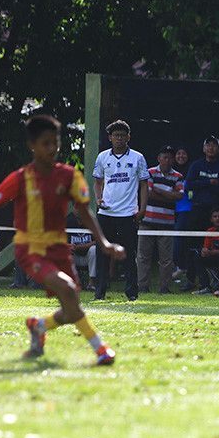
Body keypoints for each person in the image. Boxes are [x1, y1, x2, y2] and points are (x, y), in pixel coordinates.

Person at [0, 114, 123, 365]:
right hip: (30, 249)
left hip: (58, 248)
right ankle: (101, 349)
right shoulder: (20, 178)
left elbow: (86, 212)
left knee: (70, 308)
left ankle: (38, 326)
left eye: (55, 142)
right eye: (45, 143)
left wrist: (104, 243)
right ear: (32, 145)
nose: (52, 148)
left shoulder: (69, 176)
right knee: (67, 290)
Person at [92, 119, 149, 301]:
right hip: (106, 214)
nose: (119, 138)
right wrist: (98, 199)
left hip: (128, 214)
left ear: (128, 137)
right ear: (110, 138)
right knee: (102, 254)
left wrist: (142, 209)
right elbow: (98, 182)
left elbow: (144, 185)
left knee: (129, 254)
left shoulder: (138, 158)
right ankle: (99, 292)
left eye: (123, 135)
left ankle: (132, 293)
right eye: (116, 135)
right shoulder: (102, 157)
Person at [182, 135, 219, 292]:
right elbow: (189, 185)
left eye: (214, 145)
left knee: (216, 246)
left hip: (215, 212)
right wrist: (209, 182)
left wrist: (200, 185)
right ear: (203, 149)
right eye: (208, 145)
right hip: (197, 210)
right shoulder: (196, 165)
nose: (211, 148)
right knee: (192, 246)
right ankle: (191, 280)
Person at [138, 145, 184, 294]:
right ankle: (143, 286)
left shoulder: (178, 176)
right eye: (165, 157)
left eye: (171, 157)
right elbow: (148, 194)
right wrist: (168, 194)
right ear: (159, 158)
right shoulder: (149, 172)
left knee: (166, 259)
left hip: (167, 223)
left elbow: (179, 196)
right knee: (144, 256)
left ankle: (164, 287)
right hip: (147, 222)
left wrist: (158, 190)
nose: (168, 160)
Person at [172, 147, 192, 277]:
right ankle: (177, 266)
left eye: (183, 153)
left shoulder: (192, 171)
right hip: (171, 210)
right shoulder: (170, 172)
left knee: (181, 239)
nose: (181, 156)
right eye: (178, 153)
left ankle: (183, 267)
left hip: (186, 209)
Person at [67, 212, 97, 291]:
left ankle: (92, 283)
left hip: (88, 256)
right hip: (74, 255)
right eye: (75, 207)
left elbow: (98, 241)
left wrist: (80, 247)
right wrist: (67, 246)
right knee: (65, 251)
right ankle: (74, 282)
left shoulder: (93, 221)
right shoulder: (69, 222)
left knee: (94, 249)